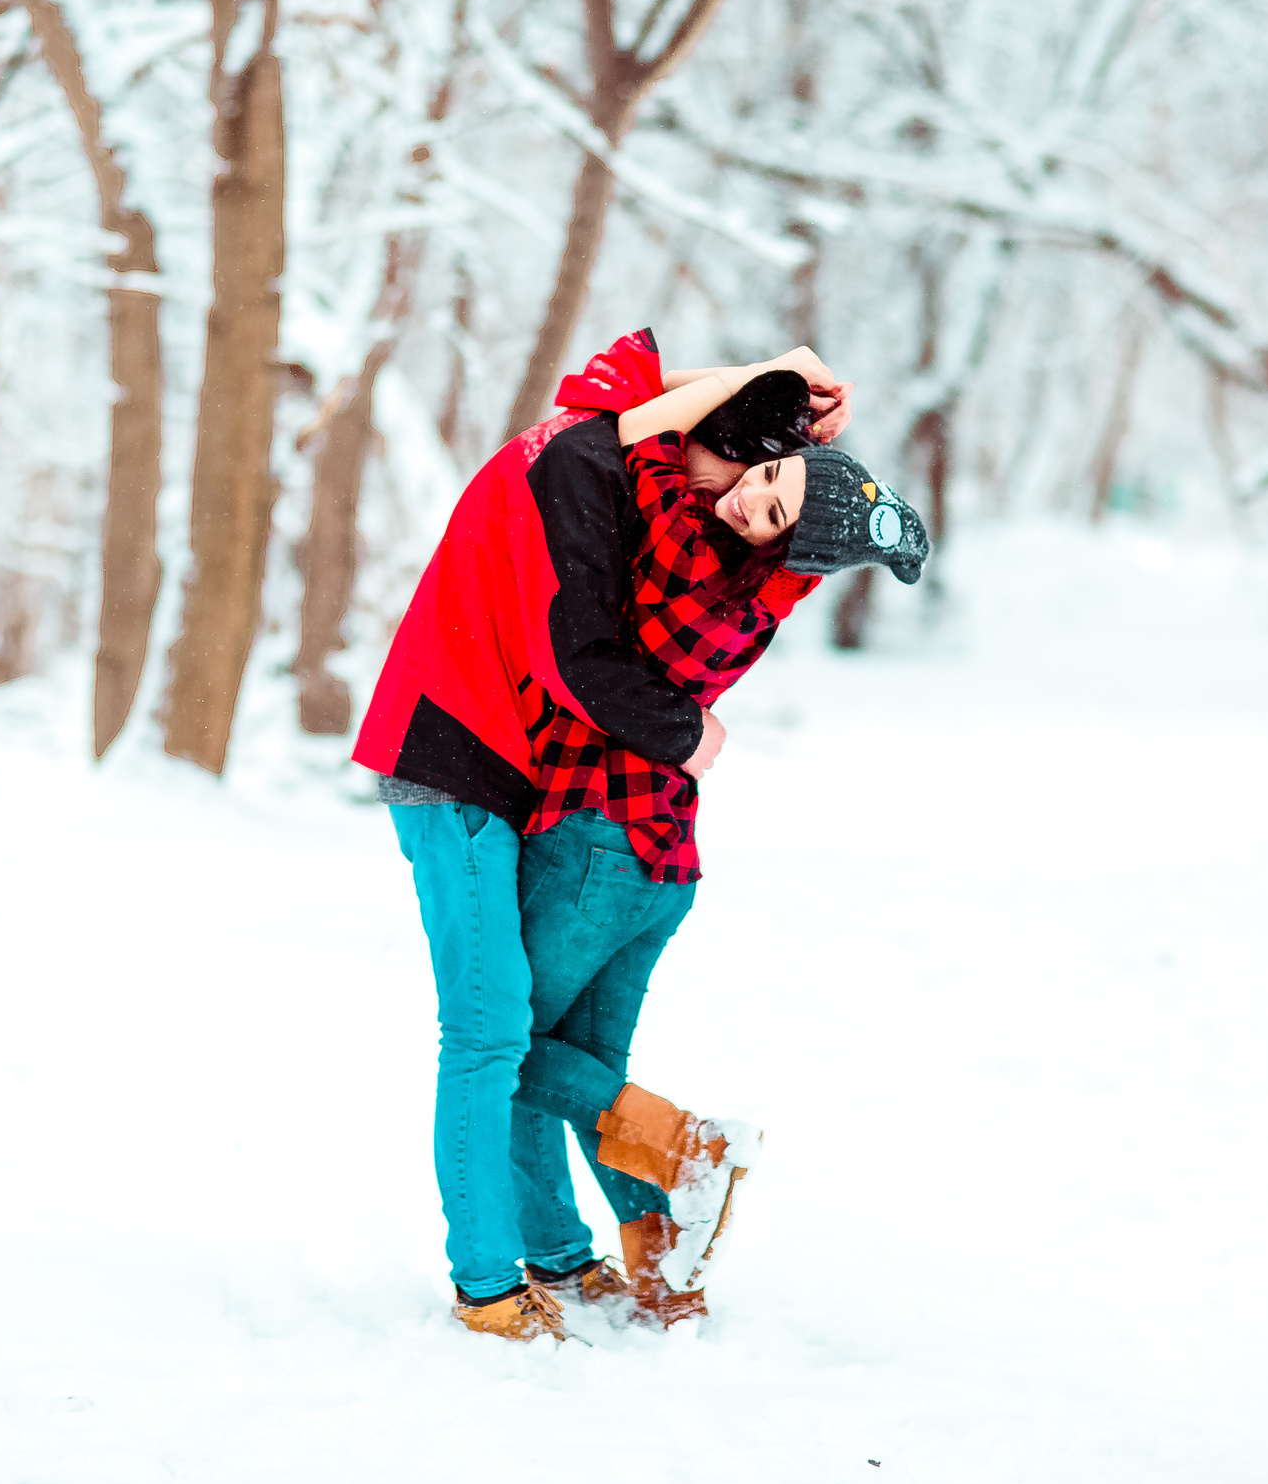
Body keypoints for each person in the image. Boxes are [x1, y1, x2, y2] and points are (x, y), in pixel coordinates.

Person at [355, 329, 929, 1342]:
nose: (732, 494)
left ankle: (566, 1254)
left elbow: (639, 419)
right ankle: (498, 1275)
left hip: (519, 774)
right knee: (492, 1035)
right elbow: (586, 654)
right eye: (751, 468)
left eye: (769, 491)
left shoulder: (599, 459)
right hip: (456, 758)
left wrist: (773, 387)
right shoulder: (576, 470)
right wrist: (688, 731)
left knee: (519, 1039)